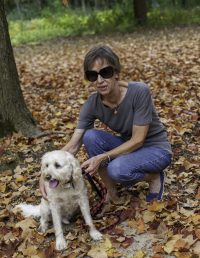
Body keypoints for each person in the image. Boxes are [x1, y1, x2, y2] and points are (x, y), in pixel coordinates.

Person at [40, 45, 172, 203]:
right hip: (129, 146)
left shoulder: (139, 91)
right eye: (93, 75)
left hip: (156, 149)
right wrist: (46, 171)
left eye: (106, 72)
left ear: (116, 73)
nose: (100, 80)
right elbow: (73, 145)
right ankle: (111, 191)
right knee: (90, 136)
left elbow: (138, 140)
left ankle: (154, 176)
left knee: (116, 169)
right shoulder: (92, 104)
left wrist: (103, 157)